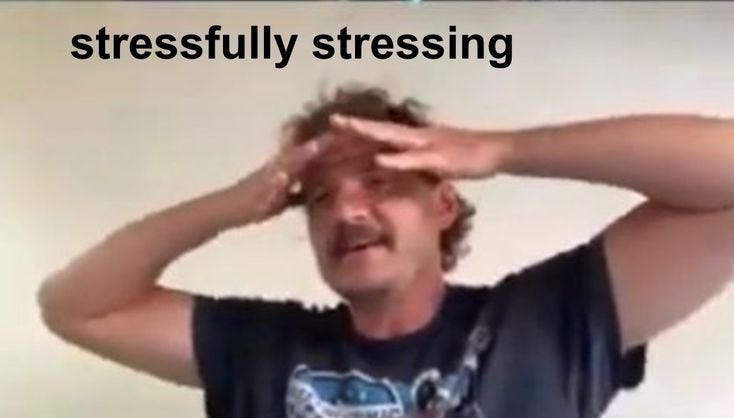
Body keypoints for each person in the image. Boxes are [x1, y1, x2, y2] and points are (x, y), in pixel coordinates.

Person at [37, 86, 734, 418]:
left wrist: (502, 150)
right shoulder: (260, 348)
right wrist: (228, 206)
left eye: (379, 182)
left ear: (443, 203)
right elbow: (75, 307)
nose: (346, 210)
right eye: (319, 196)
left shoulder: (546, 323)